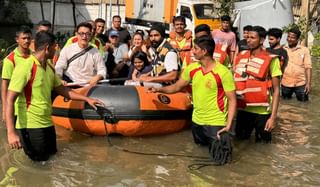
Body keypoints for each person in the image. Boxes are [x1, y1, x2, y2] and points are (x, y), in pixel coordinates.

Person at [5, 31, 103, 161]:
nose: (56, 49)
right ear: (47, 48)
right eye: (54, 46)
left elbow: (62, 89)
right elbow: (10, 99)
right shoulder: (25, 67)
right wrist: (11, 133)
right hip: (30, 125)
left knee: (52, 159)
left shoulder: (50, 67)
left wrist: (86, 99)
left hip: (47, 123)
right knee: (38, 164)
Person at [149, 36, 236, 163]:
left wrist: (228, 126)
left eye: (195, 49)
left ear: (204, 51)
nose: (193, 52)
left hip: (216, 123)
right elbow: (177, 86)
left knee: (221, 162)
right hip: (197, 122)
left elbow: (232, 100)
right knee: (199, 154)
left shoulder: (223, 72)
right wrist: (158, 90)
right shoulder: (192, 69)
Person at [234, 26, 282, 143]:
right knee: (239, 143)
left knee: (264, 146)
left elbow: (276, 90)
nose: (248, 40)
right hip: (243, 110)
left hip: (263, 112)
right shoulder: (241, 56)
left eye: (252, 38)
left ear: (261, 40)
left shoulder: (271, 60)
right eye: (248, 37)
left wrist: (273, 118)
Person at [1, 26, 32, 124]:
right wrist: (5, 109)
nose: (27, 41)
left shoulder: (35, 56)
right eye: (24, 38)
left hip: (33, 108)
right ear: (17, 40)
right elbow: (5, 85)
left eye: (28, 38)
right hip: (16, 108)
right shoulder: (10, 60)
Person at [281, 27, 312, 102]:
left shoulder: (304, 50)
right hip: (285, 83)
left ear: (297, 39)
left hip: (301, 84)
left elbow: (308, 67)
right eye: (288, 36)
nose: (289, 39)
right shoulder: (282, 49)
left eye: (292, 37)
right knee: (285, 104)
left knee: (304, 105)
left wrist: (308, 84)